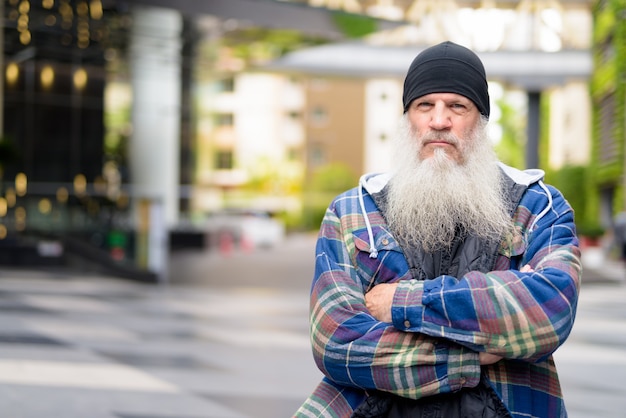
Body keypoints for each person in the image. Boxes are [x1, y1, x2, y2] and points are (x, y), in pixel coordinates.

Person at [294, 41, 581, 418]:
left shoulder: (538, 204)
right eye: (424, 105)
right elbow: (337, 342)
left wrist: (400, 302)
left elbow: (549, 310)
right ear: (407, 117)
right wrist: (475, 354)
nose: (439, 121)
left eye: (457, 106)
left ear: (480, 119)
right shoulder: (351, 212)